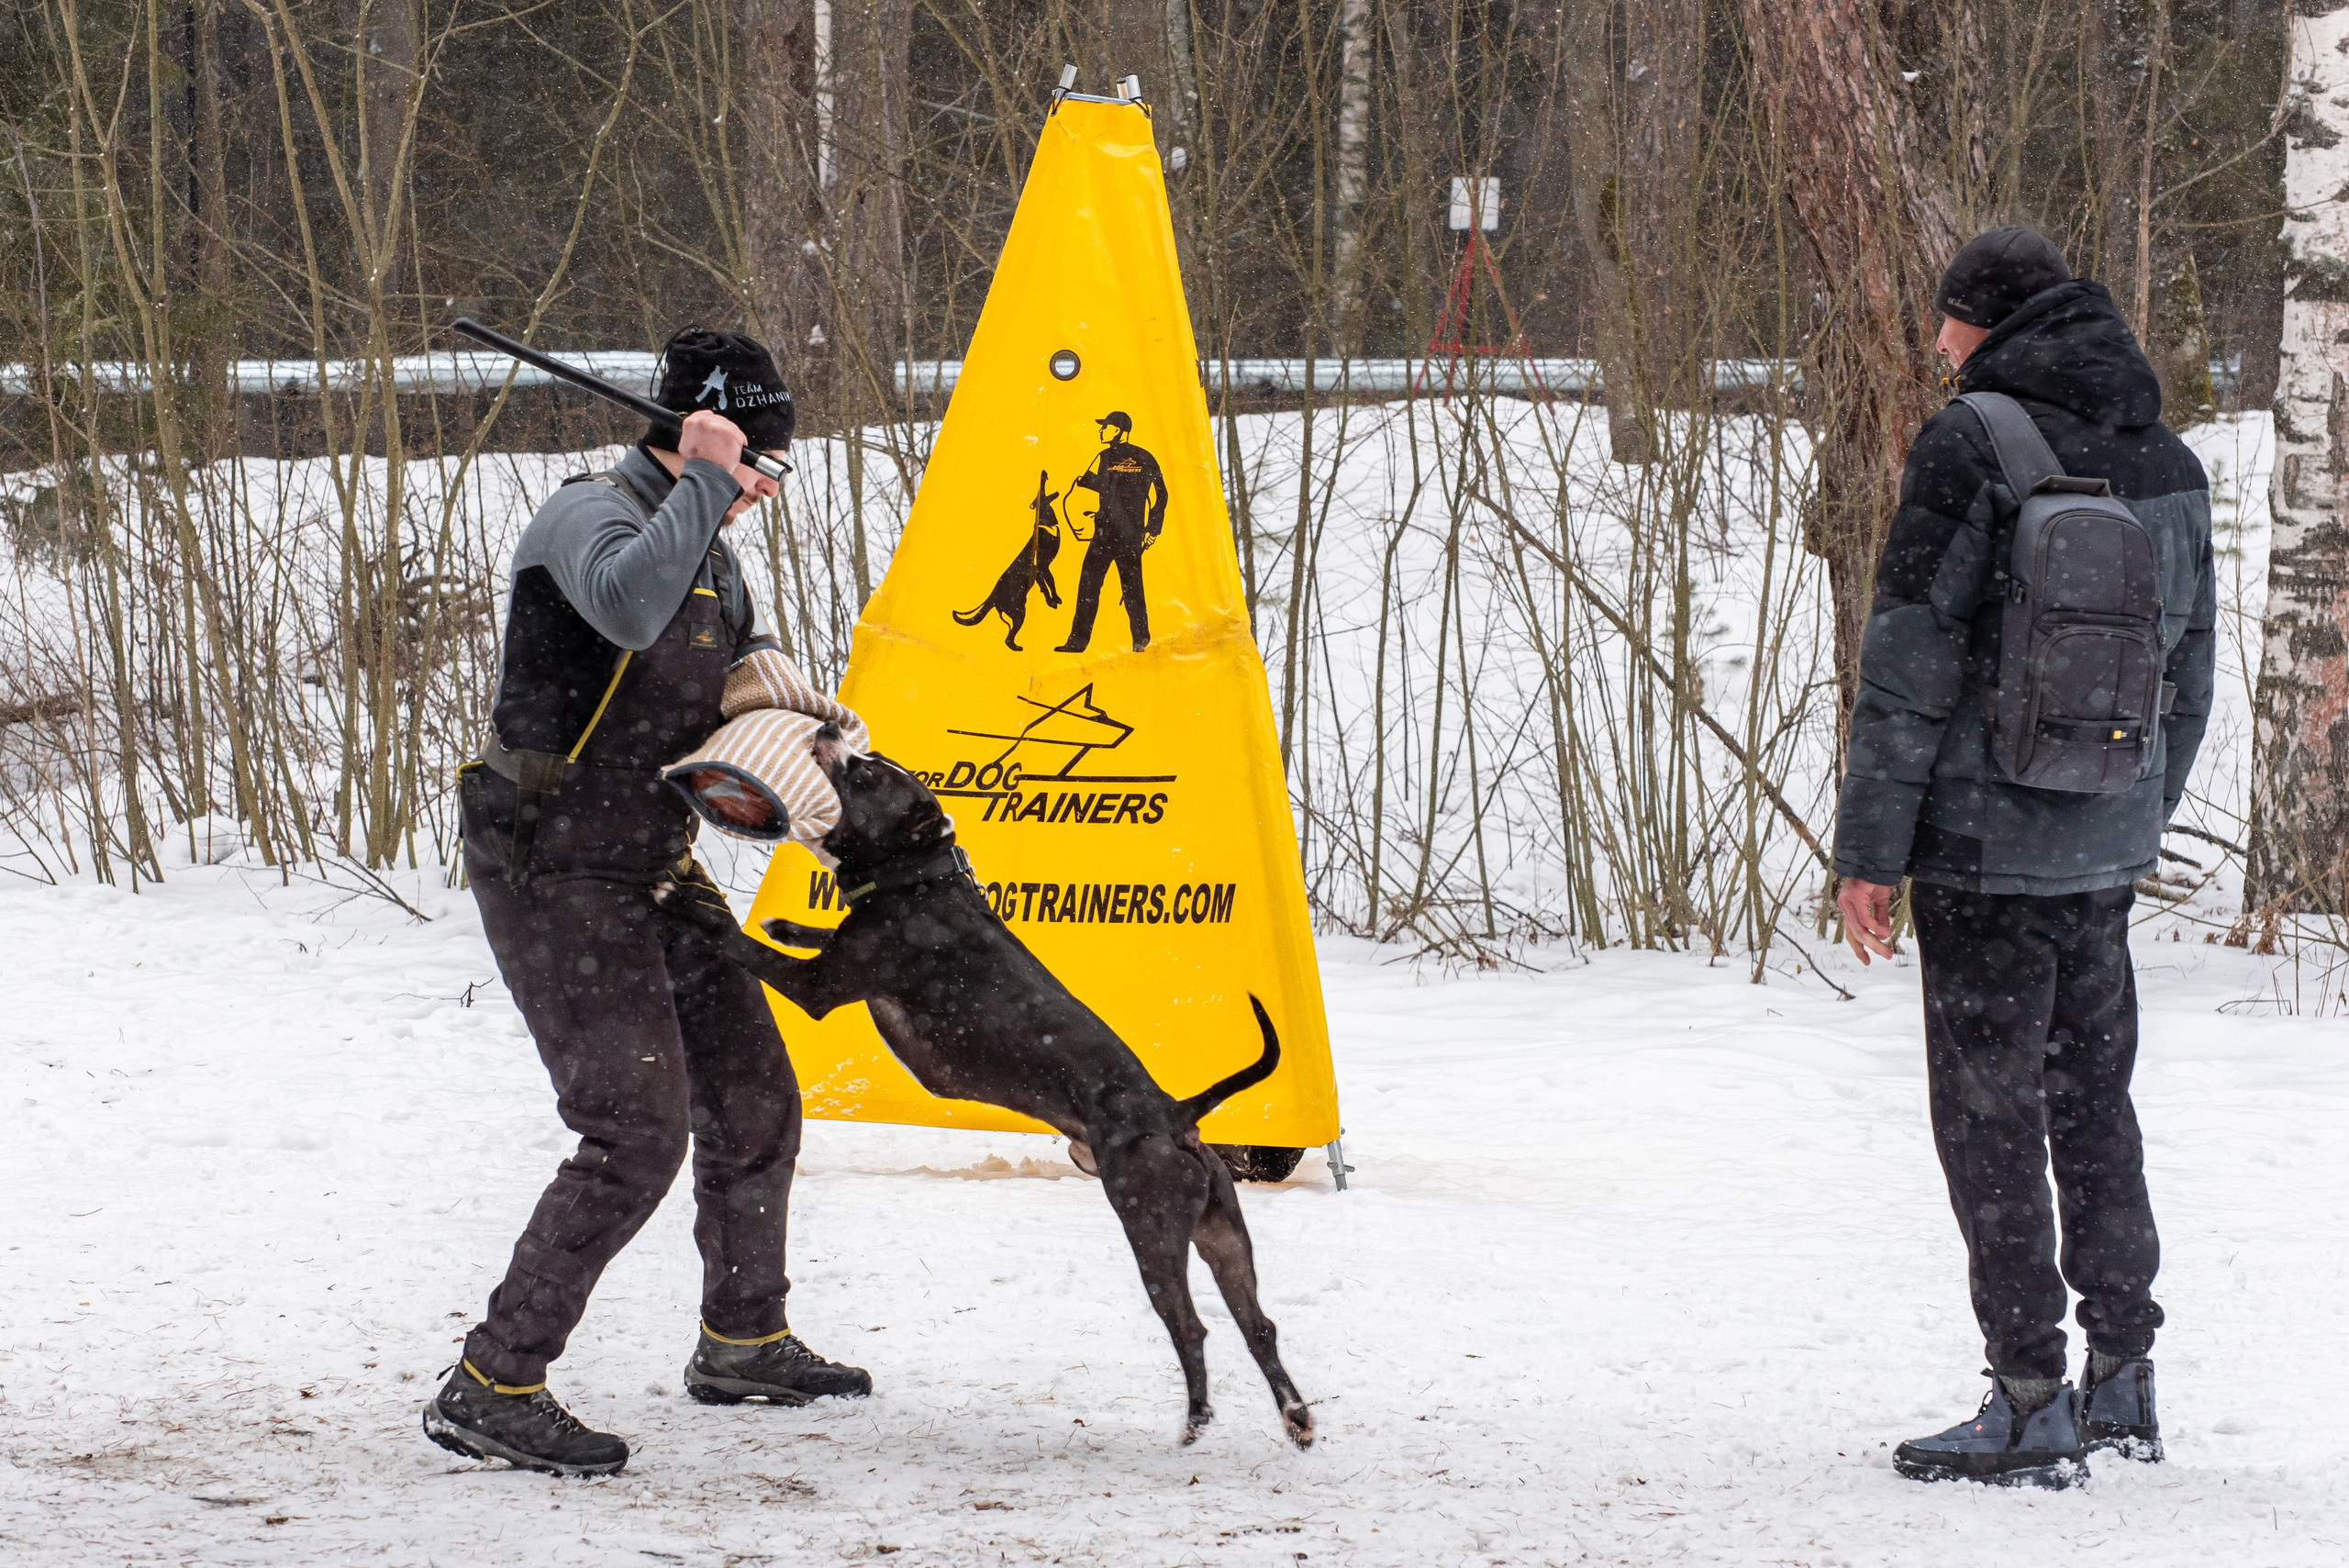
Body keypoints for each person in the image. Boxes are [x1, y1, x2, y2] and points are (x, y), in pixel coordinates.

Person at [425, 327, 871, 1478]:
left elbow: (722, 685)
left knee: (755, 1095)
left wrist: (786, 733)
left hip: (652, 862)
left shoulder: (713, 547)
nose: (763, 493)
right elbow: (627, 607)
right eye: (758, 467)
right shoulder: (590, 518)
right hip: (552, 861)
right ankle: (493, 1380)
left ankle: (744, 1338)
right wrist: (713, 475)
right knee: (632, 1128)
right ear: (704, 441)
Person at [1831, 228, 2215, 1486]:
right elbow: (2192, 671)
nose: (1937, 348)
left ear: (1979, 325)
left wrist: (1870, 851)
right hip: (2100, 847)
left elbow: (1906, 666)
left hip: (1983, 856)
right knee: (2095, 1104)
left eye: (1945, 325)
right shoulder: (2170, 457)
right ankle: (2124, 1378)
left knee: (1990, 1121)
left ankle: (2026, 1393)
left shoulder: (1971, 440)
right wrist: (2134, 818)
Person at [1054, 410, 1167, 652]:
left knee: (1114, 586)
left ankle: (1132, 639)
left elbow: (1160, 493)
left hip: (1119, 533)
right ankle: (1088, 641)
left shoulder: (1128, 457)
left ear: (1118, 430)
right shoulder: (1114, 457)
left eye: (1105, 427)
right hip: (1114, 532)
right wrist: (1153, 528)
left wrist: (1153, 528)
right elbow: (1103, 487)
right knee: (1104, 585)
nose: (1101, 430)